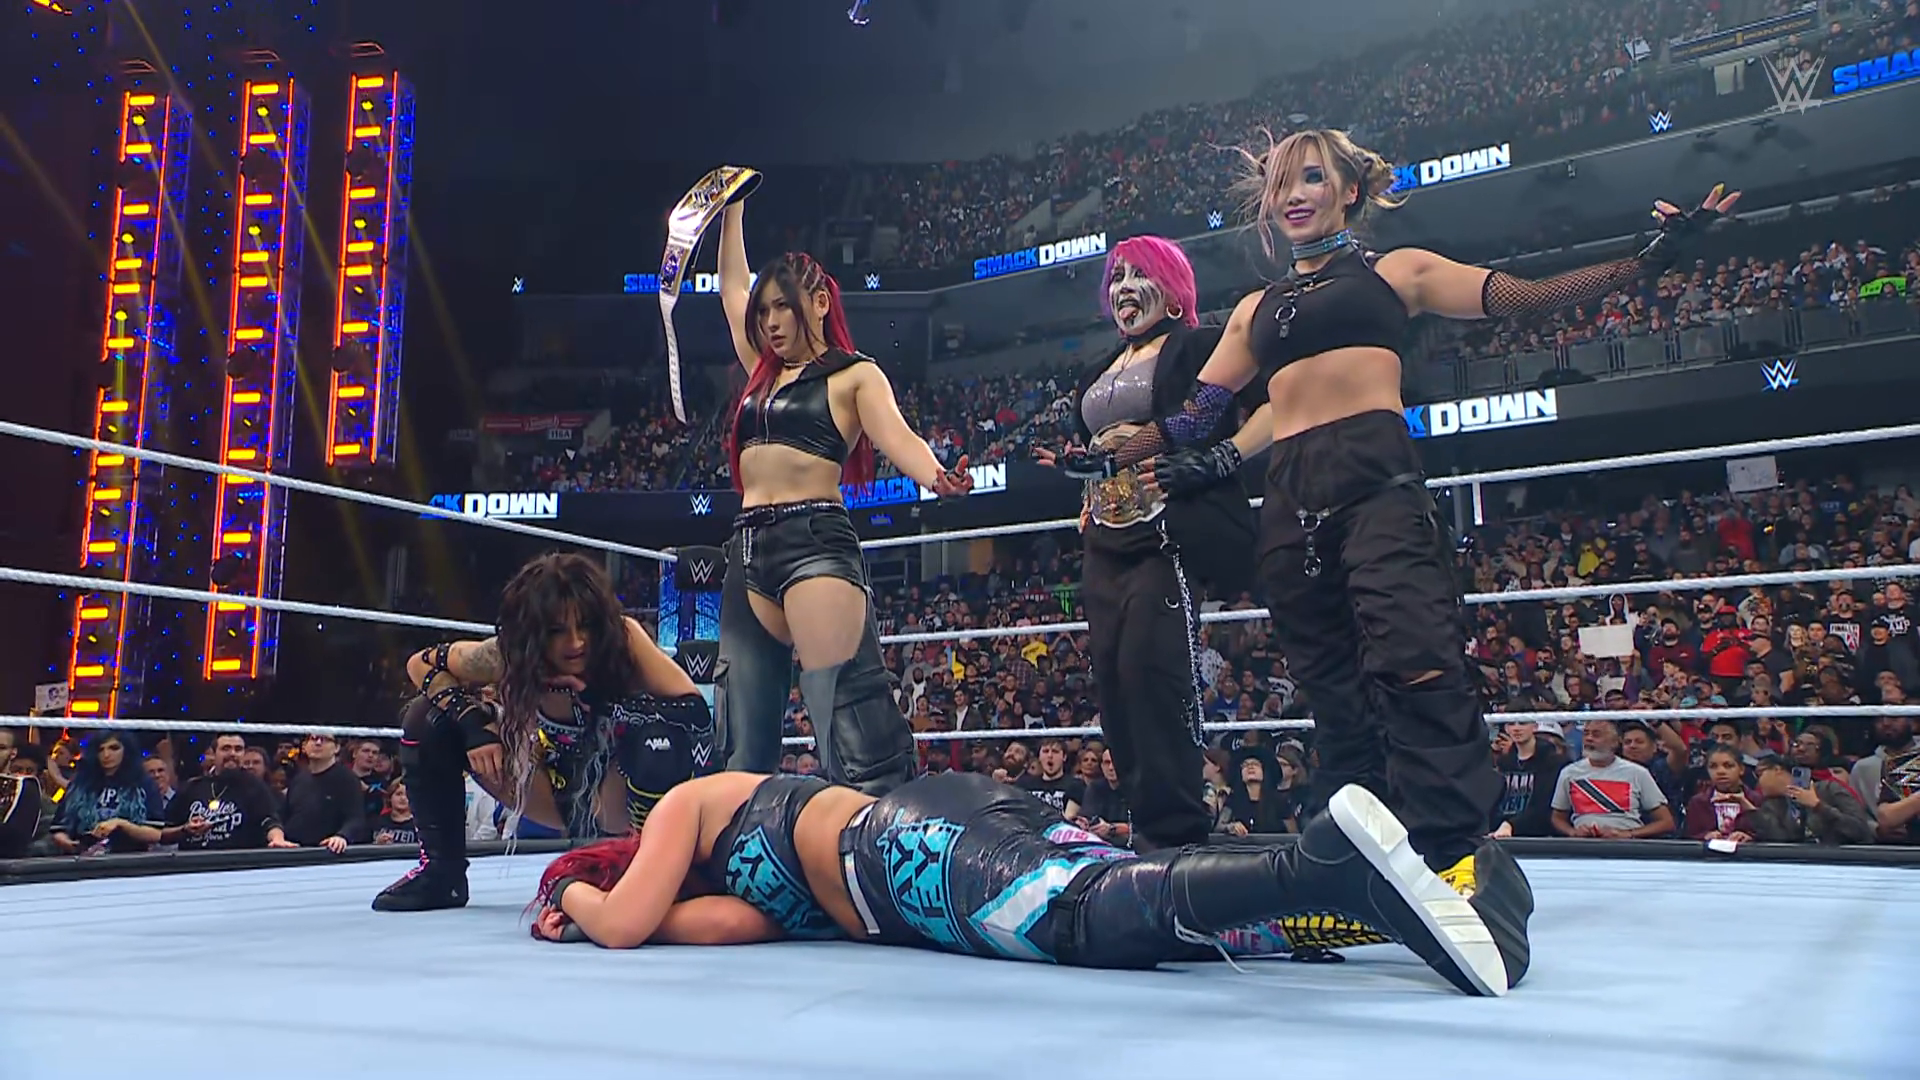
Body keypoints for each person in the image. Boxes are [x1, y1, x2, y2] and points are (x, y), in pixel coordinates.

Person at [1068, 128, 1739, 985]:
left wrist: (1646, 260)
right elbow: (1198, 416)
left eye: (1313, 177)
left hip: (1375, 478)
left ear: (1350, 190)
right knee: (1330, 689)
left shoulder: (1396, 272)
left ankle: (1459, 853)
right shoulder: (1253, 310)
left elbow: (1524, 297)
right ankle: (1353, 861)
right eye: (1282, 185)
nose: (1295, 195)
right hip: (1291, 500)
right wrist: (1118, 452)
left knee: (1416, 658)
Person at [526, 769, 1525, 997]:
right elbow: (714, 928)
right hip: (935, 828)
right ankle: (1462, 891)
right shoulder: (729, 881)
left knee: (1085, 918)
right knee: (1156, 908)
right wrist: (623, 910)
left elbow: (625, 923)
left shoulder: (685, 806)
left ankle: (1322, 868)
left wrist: (566, 894)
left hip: (906, 852)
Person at [712, 196, 971, 796]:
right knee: (741, 736)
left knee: (852, 725)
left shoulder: (855, 375)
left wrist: (935, 476)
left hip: (814, 543)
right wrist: (731, 209)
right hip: (746, 550)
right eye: (764, 311)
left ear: (820, 303)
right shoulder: (761, 373)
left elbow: (897, 436)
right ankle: (746, 848)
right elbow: (731, 289)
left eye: (783, 306)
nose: (770, 321)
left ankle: (880, 840)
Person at [1034, 235, 1269, 851]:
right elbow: (1099, 454)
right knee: (1113, 680)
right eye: (1116, 277)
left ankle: (1178, 829)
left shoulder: (1198, 345)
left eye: (1139, 274)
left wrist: (1219, 459)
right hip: (1105, 539)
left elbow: (1263, 409)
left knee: (1153, 670)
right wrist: (1081, 479)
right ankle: (1145, 828)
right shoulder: (1099, 367)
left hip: (1168, 531)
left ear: (1172, 286)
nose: (1123, 288)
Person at [372, 552, 715, 912]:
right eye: (557, 631)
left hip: (618, 791)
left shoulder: (623, 640)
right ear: (532, 632)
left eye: (585, 626)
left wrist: (607, 706)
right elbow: (420, 664)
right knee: (426, 717)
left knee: (657, 739)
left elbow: (693, 712)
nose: (576, 642)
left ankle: (653, 873)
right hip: (551, 787)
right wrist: (473, 724)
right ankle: (441, 875)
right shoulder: (512, 655)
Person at [47, 730, 166, 854]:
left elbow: (156, 834)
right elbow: (58, 829)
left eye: (114, 748)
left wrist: (121, 824)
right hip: (82, 859)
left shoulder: (143, 784)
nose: (106, 755)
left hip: (128, 859)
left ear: (126, 750)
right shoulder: (79, 785)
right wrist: (69, 844)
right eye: (100, 750)